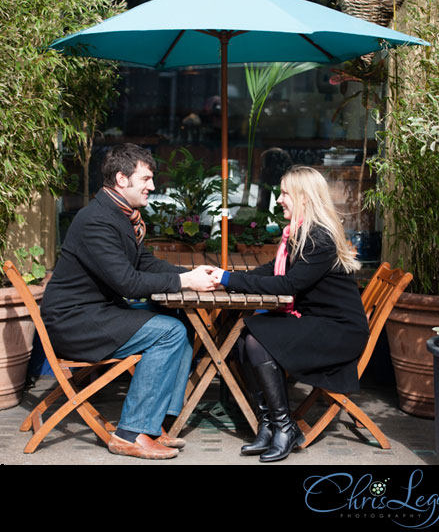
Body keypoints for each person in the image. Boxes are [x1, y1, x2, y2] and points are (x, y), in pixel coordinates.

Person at [40, 143, 220, 460]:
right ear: (122, 179)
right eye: (146, 178)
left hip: (97, 313)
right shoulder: (97, 220)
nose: (152, 186)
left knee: (180, 320)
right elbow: (128, 282)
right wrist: (186, 281)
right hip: (76, 323)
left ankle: (152, 425)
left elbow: (144, 264)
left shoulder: (120, 215)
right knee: (170, 331)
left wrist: (191, 273)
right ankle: (129, 434)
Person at [207, 165, 368, 462]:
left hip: (339, 331)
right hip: (315, 322)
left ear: (304, 198)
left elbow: (288, 285)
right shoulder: (299, 234)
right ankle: (268, 425)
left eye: (284, 193)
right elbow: (271, 271)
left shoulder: (319, 239)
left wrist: (229, 280)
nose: (279, 199)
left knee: (257, 338)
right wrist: (224, 278)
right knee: (244, 336)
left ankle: (285, 427)